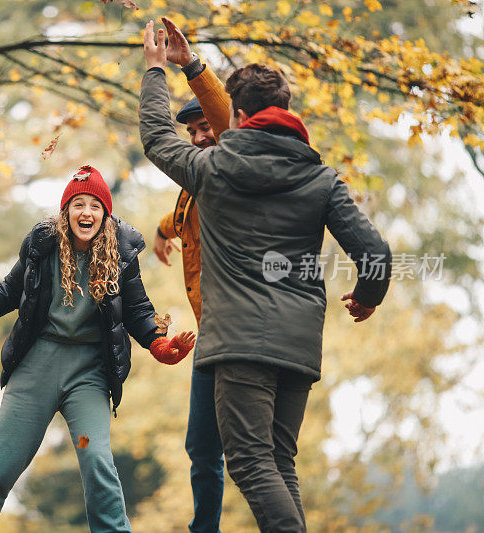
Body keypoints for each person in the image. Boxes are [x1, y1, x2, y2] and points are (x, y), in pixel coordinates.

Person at [140, 18, 392, 532]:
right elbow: (375, 254)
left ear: (237, 116)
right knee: (279, 464)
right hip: (298, 344)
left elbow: (155, 137)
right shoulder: (322, 179)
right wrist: (368, 296)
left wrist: (154, 69)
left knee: (252, 465)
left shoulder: (211, 168)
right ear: (288, 114)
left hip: (238, 344)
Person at [0, 165, 196, 533]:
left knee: (96, 459)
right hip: (35, 369)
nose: (86, 213)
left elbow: (136, 312)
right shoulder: (43, 244)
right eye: (78, 204)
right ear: (66, 211)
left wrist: (162, 345)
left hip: (87, 377)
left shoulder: (121, 253)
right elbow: (11, 290)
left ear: (106, 213)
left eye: (95, 206)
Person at [154, 84, 230, 532]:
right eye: (194, 131)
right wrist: (162, 230)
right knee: (201, 447)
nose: (200, 137)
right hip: (208, 338)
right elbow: (180, 217)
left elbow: (225, 118)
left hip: (240, 330)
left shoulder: (236, 174)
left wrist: (191, 67)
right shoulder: (192, 186)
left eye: (207, 127)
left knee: (255, 452)